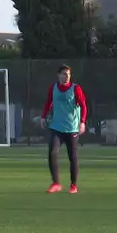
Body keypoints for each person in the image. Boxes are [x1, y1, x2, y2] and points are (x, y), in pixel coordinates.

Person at [40, 65, 87, 194]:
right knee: (52, 153)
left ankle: (73, 185)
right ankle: (56, 183)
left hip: (72, 128)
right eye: (64, 74)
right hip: (56, 127)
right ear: (58, 75)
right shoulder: (53, 88)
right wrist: (43, 116)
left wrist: (82, 122)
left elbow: (83, 105)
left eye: (68, 74)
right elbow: (48, 102)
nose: (67, 77)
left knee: (72, 156)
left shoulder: (75, 89)